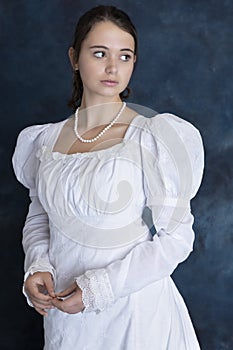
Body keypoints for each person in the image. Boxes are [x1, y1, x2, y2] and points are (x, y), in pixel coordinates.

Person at [12, 5, 204, 350]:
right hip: (66, 319)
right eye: (99, 53)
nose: (113, 67)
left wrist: (100, 288)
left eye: (125, 56)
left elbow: (176, 239)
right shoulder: (44, 140)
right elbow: (40, 215)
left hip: (136, 315)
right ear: (74, 57)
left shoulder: (152, 137)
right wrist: (37, 265)